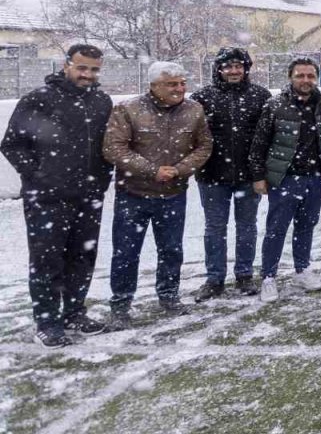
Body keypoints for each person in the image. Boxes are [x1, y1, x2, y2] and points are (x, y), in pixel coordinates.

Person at [2, 44, 114, 347]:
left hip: (89, 194)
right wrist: (40, 175)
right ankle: (47, 322)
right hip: (47, 199)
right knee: (47, 260)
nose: (87, 75)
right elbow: (12, 145)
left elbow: (108, 146)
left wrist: (102, 178)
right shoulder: (39, 100)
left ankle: (74, 312)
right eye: (82, 68)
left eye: (93, 69)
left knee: (82, 256)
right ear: (66, 65)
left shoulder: (102, 102)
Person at [102, 61, 212, 330]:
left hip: (173, 195)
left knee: (171, 250)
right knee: (126, 252)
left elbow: (204, 146)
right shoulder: (128, 109)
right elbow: (114, 149)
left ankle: (169, 296)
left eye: (182, 83)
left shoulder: (194, 110)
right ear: (153, 86)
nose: (179, 88)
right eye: (172, 84)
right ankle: (121, 304)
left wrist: (179, 170)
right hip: (133, 194)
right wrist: (152, 171)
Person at [189, 47, 272, 301]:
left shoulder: (260, 96)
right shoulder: (202, 97)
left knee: (247, 226)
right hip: (212, 176)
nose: (234, 71)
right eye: (228, 66)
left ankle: (244, 275)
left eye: (238, 66)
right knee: (215, 227)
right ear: (219, 69)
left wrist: (260, 170)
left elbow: (266, 136)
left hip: (248, 176)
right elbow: (192, 136)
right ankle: (214, 279)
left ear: (246, 68)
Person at [250, 57, 321, 302]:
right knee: (276, 228)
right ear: (290, 77)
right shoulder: (275, 105)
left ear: (316, 78)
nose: (305, 80)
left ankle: (302, 269)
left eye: (310, 76)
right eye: (300, 76)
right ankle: (269, 277)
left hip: (315, 178)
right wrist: (258, 176)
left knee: (306, 226)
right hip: (285, 178)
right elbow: (260, 142)